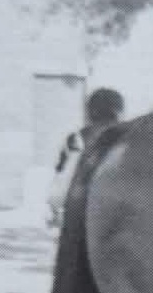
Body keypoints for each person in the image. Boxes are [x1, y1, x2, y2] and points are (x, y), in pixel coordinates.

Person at [48, 87, 124, 226]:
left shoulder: (76, 138)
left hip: (82, 214)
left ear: (89, 112)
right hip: (121, 215)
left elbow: (60, 185)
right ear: (118, 111)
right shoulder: (129, 136)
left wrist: (54, 210)